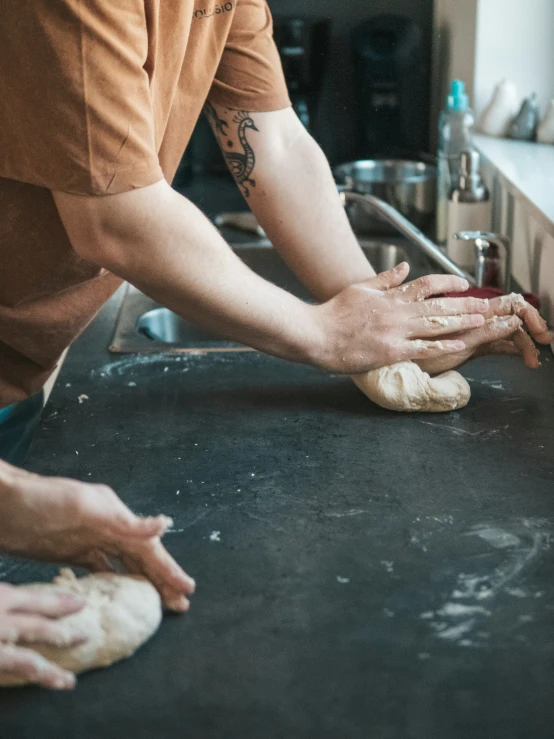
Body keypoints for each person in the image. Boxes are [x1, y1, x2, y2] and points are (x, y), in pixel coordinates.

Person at [0, 1, 551, 689]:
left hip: (22, 358)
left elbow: (273, 141)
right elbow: (118, 220)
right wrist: (323, 332)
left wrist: (381, 322)